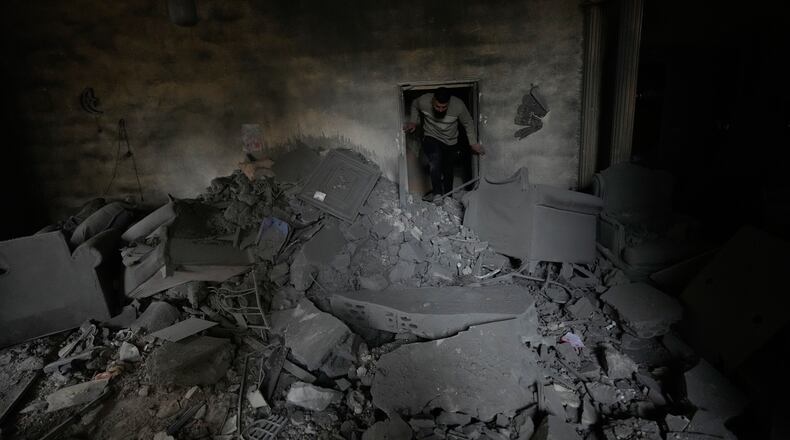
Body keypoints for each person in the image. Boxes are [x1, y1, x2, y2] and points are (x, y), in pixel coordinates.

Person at [403, 87, 484, 201]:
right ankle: (437, 194)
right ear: (432, 101)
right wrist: (413, 121)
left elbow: (468, 122)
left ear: (449, 103)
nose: (440, 110)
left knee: (448, 169)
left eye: (444, 107)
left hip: (451, 141)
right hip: (431, 135)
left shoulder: (458, 105)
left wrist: (473, 143)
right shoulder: (423, 100)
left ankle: (448, 197)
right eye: (437, 106)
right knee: (435, 159)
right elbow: (414, 104)